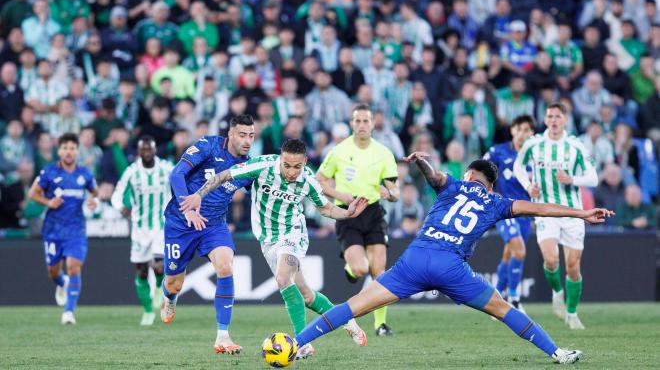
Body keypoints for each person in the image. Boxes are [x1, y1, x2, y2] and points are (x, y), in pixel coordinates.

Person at [290, 155, 612, 364]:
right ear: (490, 184)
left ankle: (294, 342)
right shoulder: (497, 202)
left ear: (470, 173)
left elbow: (434, 176)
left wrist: (421, 163)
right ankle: (557, 352)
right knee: (503, 309)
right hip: (451, 267)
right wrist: (582, 213)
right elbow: (540, 208)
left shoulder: (453, 185)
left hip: (416, 259)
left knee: (354, 306)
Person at [179, 138, 369, 359]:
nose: (291, 172)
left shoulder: (307, 179)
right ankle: (348, 321)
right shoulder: (263, 166)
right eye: (287, 165)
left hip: (293, 235)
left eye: (297, 166)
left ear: (305, 162)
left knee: (282, 278)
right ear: (280, 158)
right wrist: (198, 195)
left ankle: (301, 343)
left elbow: (325, 209)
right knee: (306, 296)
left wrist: (348, 213)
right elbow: (224, 175)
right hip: (268, 240)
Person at [159, 115, 256, 354]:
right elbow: (176, 175)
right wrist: (189, 208)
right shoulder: (208, 145)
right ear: (230, 134)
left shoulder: (248, 166)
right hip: (180, 223)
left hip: (213, 225)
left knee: (225, 267)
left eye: (251, 136)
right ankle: (169, 298)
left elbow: (260, 193)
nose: (247, 141)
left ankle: (223, 336)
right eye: (242, 135)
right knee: (174, 283)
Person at [316, 103, 400, 336]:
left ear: (373, 123)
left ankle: (379, 324)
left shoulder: (383, 153)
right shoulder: (339, 151)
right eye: (357, 121)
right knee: (361, 269)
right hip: (348, 213)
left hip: (373, 213)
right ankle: (351, 270)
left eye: (366, 120)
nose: (362, 125)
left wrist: (390, 193)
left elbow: (395, 192)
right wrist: (341, 195)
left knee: (379, 273)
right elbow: (319, 180)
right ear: (352, 123)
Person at [513, 103, 598, 330]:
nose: (553, 120)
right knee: (551, 260)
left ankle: (572, 314)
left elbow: (593, 178)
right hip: (545, 210)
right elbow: (518, 166)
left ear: (565, 120)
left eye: (557, 116)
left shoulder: (575, 146)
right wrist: (528, 185)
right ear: (545, 119)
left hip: (572, 213)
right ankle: (557, 293)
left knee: (573, 267)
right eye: (549, 116)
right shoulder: (534, 144)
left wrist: (573, 180)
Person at [27, 132, 98, 325]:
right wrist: (48, 201)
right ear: (59, 151)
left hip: (76, 230)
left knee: (74, 268)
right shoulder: (48, 172)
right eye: (65, 148)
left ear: (77, 151)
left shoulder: (85, 174)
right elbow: (32, 194)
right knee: (53, 272)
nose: (68, 152)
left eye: (72, 148)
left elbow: (95, 191)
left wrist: (94, 201)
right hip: (53, 230)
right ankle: (62, 284)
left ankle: (68, 312)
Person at [110, 136, 174, 326]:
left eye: (149, 149)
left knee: (159, 266)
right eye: (143, 150)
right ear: (139, 152)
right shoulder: (132, 172)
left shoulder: (166, 168)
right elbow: (117, 194)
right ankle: (147, 311)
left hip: (161, 226)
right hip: (139, 229)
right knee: (141, 272)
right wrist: (121, 207)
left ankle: (157, 287)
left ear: (154, 150)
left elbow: (182, 177)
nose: (146, 153)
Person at [483, 115, 535, 310]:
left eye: (527, 130)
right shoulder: (499, 151)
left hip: (525, 213)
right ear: (512, 130)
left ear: (532, 134)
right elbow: (480, 169)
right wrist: (489, 191)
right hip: (504, 209)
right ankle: (514, 298)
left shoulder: (535, 156)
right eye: (519, 129)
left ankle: (493, 301)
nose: (523, 134)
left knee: (508, 255)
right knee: (520, 250)